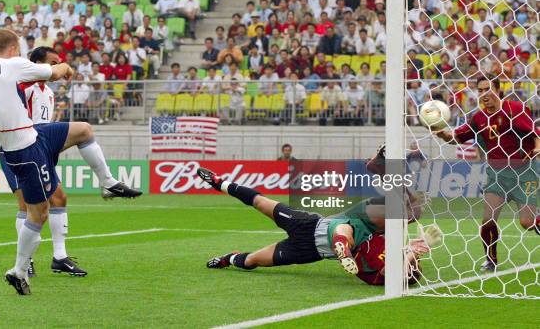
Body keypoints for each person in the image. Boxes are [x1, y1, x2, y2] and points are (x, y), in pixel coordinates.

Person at [0, 29, 142, 295]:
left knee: (84, 130)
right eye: (18, 48)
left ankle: (109, 183)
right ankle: (19, 270)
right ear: (12, 49)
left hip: (32, 136)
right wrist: (65, 67)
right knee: (38, 213)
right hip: (26, 150)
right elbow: (53, 72)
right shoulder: (12, 65)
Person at [198, 167, 435, 284]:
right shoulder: (379, 230)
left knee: (252, 261)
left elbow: (396, 274)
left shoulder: (382, 269)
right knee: (260, 202)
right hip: (310, 225)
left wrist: (410, 253)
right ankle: (220, 183)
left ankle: (228, 258)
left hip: (308, 251)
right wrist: (414, 247)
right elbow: (356, 226)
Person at [436, 74, 539, 271]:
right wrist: (443, 134)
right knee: (487, 220)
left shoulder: (515, 109)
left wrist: (537, 148)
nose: (484, 94)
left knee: (527, 223)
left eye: (487, 89)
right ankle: (491, 260)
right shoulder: (479, 117)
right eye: (480, 90)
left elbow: (535, 132)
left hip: (524, 172)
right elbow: (456, 138)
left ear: (498, 90)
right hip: (498, 176)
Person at [0, 47, 86, 278]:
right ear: (36, 64)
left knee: (59, 198)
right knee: (26, 206)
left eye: (59, 62)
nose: (57, 65)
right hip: (18, 150)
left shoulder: (47, 91)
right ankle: (26, 262)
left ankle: (59, 257)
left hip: (40, 150)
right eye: (52, 62)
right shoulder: (24, 87)